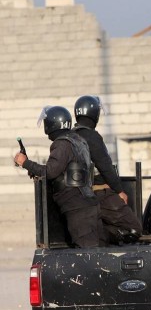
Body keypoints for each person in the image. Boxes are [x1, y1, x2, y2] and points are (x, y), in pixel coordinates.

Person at [14, 106, 101, 248]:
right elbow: (64, 172)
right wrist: (34, 170)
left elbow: (50, 172)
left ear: (52, 124)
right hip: (88, 204)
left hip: (77, 208)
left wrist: (25, 162)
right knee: (95, 251)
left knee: (88, 256)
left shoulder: (61, 144)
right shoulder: (78, 140)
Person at [72, 95, 142, 245]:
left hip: (77, 195)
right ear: (94, 115)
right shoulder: (91, 136)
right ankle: (99, 235)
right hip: (100, 193)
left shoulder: (70, 136)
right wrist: (119, 191)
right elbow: (105, 166)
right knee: (133, 228)